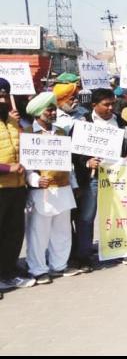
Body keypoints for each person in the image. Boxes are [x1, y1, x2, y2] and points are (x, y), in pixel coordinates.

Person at [72, 88, 127, 272]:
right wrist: (87, 162)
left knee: (119, 214)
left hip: (117, 177)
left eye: (112, 104)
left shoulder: (121, 123)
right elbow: (74, 152)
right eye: (106, 104)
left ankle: (121, 249)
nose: (110, 108)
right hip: (93, 178)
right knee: (86, 217)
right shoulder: (83, 123)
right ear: (94, 105)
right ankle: (83, 256)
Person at [23, 93, 81, 285]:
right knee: (39, 233)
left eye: (53, 108)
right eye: (49, 109)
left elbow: (68, 164)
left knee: (62, 231)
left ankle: (59, 265)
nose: (53, 112)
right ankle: (38, 269)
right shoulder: (28, 133)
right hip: (42, 191)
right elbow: (25, 165)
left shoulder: (61, 133)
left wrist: (74, 185)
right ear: (39, 112)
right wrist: (35, 180)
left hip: (63, 189)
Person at [0, 79, 36, 291]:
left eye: (5, 95)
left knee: (13, 233)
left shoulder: (14, 121)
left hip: (16, 187)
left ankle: (7, 272)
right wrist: (7, 168)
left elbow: (27, 148)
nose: (2, 99)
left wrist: (21, 127)